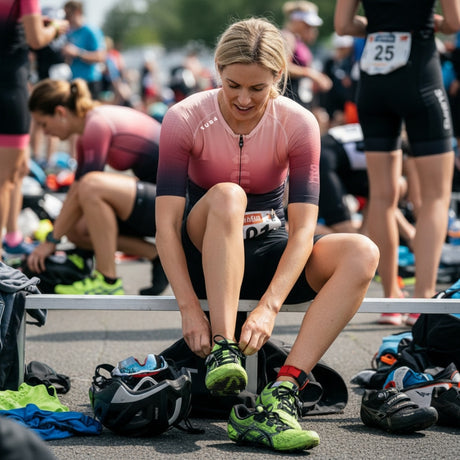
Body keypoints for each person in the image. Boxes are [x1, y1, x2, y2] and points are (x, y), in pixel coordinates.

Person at [155, 17, 379, 452]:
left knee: (361, 250)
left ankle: (283, 394)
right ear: (217, 70)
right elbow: (165, 227)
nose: (243, 98)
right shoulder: (184, 117)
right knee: (227, 195)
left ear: (279, 76)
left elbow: (303, 232)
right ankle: (224, 350)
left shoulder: (298, 123)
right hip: (204, 253)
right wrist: (188, 309)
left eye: (257, 89)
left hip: (270, 253)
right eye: (232, 84)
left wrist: (269, 308)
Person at [335, 0, 460, 326]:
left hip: (374, 84)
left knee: (381, 195)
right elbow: (454, 22)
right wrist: (425, 21)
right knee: (436, 196)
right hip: (420, 74)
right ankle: (422, 300)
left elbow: (343, 26)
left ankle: (391, 298)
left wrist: (380, 25)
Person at [26, 78, 168, 296]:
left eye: (44, 124)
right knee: (75, 229)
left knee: (92, 186)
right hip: (160, 198)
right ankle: (158, 256)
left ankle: (107, 280)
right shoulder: (87, 128)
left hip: (181, 203)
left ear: (60, 112)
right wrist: (55, 237)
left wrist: (51, 242)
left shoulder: (96, 124)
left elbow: (87, 186)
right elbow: (75, 192)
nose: (44, 133)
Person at [0, 0, 68, 260]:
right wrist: (55, 28)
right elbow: (36, 39)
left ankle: (13, 237)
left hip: (10, 84)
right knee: (5, 180)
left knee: (17, 170)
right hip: (8, 86)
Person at [281, 1, 332, 110]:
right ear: (296, 21)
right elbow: (284, 67)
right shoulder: (288, 37)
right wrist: (311, 74)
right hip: (288, 97)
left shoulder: (298, 39)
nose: (312, 29)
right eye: (308, 25)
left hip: (298, 97)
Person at [61, 1, 106, 100]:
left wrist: (77, 53)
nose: (66, 18)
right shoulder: (69, 33)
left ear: (77, 12)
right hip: (73, 81)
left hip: (90, 82)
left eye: (68, 14)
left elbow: (100, 57)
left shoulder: (91, 31)